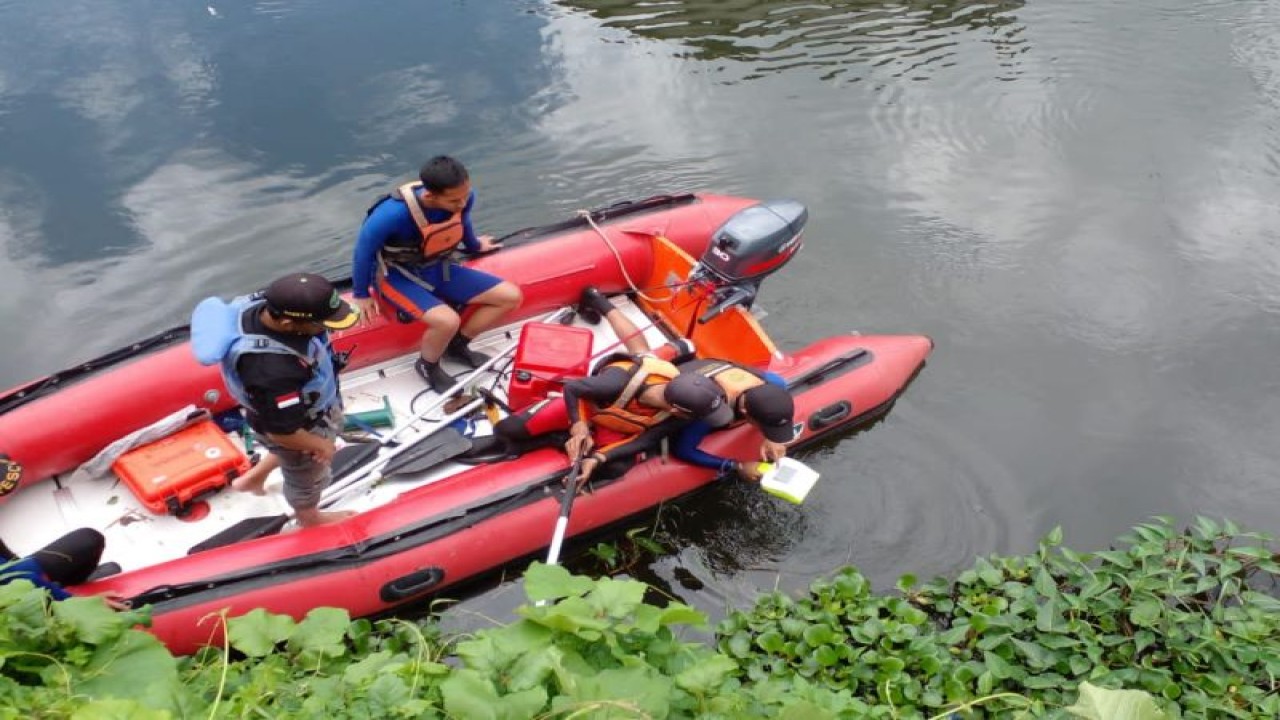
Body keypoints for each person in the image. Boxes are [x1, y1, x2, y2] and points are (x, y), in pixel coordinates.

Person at [493, 286, 726, 486]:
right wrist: (580, 426)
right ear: (677, 408)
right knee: (507, 430)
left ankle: (558, 440)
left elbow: (645, 440)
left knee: (615, 469)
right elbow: (573, 389)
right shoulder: (616, 382)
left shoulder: (677, 415)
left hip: (616, 422)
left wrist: (598, 459)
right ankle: (598, 301)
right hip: (596, 403)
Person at [191, 272, 359, 527]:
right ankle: (309, 517)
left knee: (286, 452)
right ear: (289, 323)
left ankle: (252, 479)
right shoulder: (274, 372)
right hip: (291, 427)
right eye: (320, 324)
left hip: (274, 415)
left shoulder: (268, 308)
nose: (324, 329)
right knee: (307, 473)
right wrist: (319, 444)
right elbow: (284, 433)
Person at [351, 155, 523, 392]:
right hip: (396, 275)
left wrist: (474, 246)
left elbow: (464, 224)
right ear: (430, 196)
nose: (463, 202)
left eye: (465, 194)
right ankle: (427, 365)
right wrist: (362, 293)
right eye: (454, 200)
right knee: (446, 321)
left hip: (437, 266)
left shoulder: (463, 198)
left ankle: (457, 346)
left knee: (510, 296)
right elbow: (363, 252)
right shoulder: (390, 215)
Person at [669, 359, 795, 482]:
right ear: (745, 413)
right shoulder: (710, 410)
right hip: (688, 385)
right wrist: (736, 466)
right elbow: (683, 450)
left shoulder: (775, 383)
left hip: (707, 369)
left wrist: (772, 438)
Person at [0, 528, 128, 609]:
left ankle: (63, 585)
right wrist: (76, 603)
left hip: (12, 574)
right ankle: (63, 589)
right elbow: (21, 581)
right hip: (14, 603)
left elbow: (12, 569)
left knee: (89, 539)